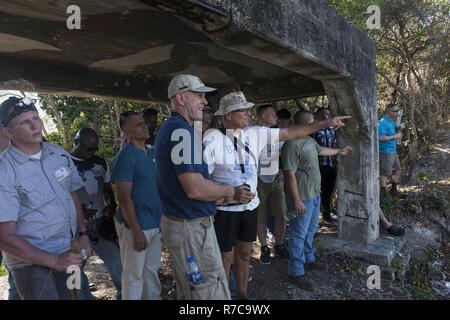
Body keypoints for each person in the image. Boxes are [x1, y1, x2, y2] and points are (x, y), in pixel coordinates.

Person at [204, 92, 351, 299]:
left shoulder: (254, 133)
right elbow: (203, 179)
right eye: (242, 110)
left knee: (245, 253)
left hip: (249, 207)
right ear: (228, 115)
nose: (248, 113)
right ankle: (222, 295)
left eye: (248, 109)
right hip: (225, 211)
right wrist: (226, 195)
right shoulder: (214, 139)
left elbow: (291, 133)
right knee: (225, 257)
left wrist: (325, 123)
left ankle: (242, 294)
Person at [155, 74, 253, 300]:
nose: (205, 102)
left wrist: (218, 195)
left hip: (185, 225)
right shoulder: (181, 132)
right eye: (198, 95)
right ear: (180, 98)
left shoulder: (174, 129)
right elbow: (195, 188)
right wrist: (232, 192)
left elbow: (187, 188)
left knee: (191, 291)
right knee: (208, 293)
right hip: (191, 230)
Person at [0, 96, 91, 300]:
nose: (35, 125)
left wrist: (83, 233)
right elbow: (4, 236)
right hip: (31, 264)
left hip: (69, 252)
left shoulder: (57, 154)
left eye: (36, 117)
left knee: (77, 297)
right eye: (25, 122)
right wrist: (53, 260)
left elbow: (72, 193)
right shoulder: (4, 170)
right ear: (9, 131)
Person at [281, 110, 353, 290]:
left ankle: (308, 258)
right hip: (303, 197)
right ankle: (295, 271)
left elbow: (322, 151)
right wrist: (296, 200)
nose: (315, 124)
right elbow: (289, 175)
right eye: (312, 122)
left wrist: (340, 151)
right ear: (305, 124)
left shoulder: (309, 140)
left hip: (314, 194)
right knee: (298, 233)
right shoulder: (290, 145)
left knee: (311, 229)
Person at [111, 111, 163, 300]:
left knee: (151, 270)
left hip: (156, 222)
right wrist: (136, 230)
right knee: (134, 274)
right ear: (126, 131)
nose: (144, 126)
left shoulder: (152, 153)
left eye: (144, 123)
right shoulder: (126, 157)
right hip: (136, 224)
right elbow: (124, 199)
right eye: (137, 124)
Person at [70, 128, 122, 299]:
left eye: (94, 149)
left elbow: (106, 187)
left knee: (117, 262)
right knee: (74, 270)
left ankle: (124, 294)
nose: (90, 153)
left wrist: (112, 204)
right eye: (87, 148)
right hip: (75, 230)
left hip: (99, 225)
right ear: (75, 142)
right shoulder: (63, 163)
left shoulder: (100, 162)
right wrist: (79, 210)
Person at [254, 104, 289, 265]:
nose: (275, 115)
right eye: (271, 113)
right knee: (260, 217)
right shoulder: (252, 134)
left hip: (277, 181)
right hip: (259, 182)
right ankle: (264, 248)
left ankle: (279, 245)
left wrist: (282, 168)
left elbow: (284, 151)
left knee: (281, 215)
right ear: (262, 116)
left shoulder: (276, 133)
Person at [312, 108, 338, 222]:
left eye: (328, 114)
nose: (327, 116)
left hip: (332, 165)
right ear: (318, 117)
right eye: (324, 115)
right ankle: (314, 217)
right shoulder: (314, 131)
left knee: (329, 190)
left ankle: (326, 214)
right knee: (318, 191)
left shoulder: (333, 130)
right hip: (319, 166)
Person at [378, 103, 404, 198]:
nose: (397, 113)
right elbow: (380, 138)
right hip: (385, 152)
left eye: (397, 111)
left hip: (393, 151)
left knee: (398, 170)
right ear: (389, 112)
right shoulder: (382, 122)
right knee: (385, 173)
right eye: (395, 111)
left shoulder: (391, 121)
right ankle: (383, 195)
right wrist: (395, 136)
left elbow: (393, 132)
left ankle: (393, 191)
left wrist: (399, 128)